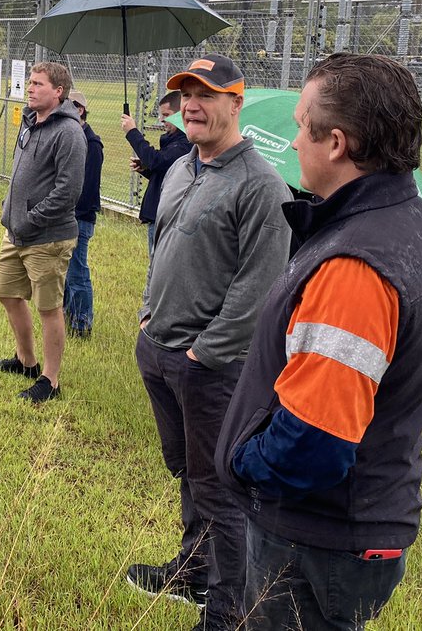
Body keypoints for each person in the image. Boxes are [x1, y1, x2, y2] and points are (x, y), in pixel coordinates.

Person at [216, 53, 422, 630]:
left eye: (303, 125)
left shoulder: (356, 267)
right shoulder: (409, 222)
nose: (294, 139)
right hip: (348, 525)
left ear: (337, 144)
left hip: (313, 541)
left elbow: (313, 443)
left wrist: (241, 462)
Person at [126, 54, 291, 631]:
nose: (191, 104)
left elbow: (259, 286)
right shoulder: (180, 169)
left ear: (235, 103)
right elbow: (163, 247)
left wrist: (204, 352)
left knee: (222, 489)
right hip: (160, 348)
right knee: (190, 472)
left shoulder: (262, 186)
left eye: (206, 94)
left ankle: (227, 612)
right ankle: (194, 571)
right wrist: (149, 323)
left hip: (212, 368)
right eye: (184, 93)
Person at [0, 62, 86, 403]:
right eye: (29, 82)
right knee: (7, 294)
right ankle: (27, 362)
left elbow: (67, 191)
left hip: (47, 237)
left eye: (37, 84)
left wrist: (31, 218)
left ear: (57, 91)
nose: (29, 88)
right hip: (15, 232)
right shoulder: (30, 121)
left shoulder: (69, 133)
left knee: (49, 308)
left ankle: (50, 380)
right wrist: (10, 209)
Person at [121, 90, 192, 256]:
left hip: (165, 219)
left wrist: (132, 132)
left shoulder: (184, 144)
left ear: (181, 114)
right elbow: (167, 173)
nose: (161, 120)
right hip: (157, 218)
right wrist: (147, 170)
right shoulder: (172, 142)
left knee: (156, 271)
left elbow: (157, 160)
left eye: (166, 115)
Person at [63, 89, 104, 338]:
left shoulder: (91, 143)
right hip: (68, 216)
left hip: (80, 217)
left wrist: (73, 212)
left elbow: (87, 187)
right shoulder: (72, 137)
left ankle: (81, 323)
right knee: (67, 273)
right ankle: (68, 316)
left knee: (77, 272)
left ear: (79, 110)